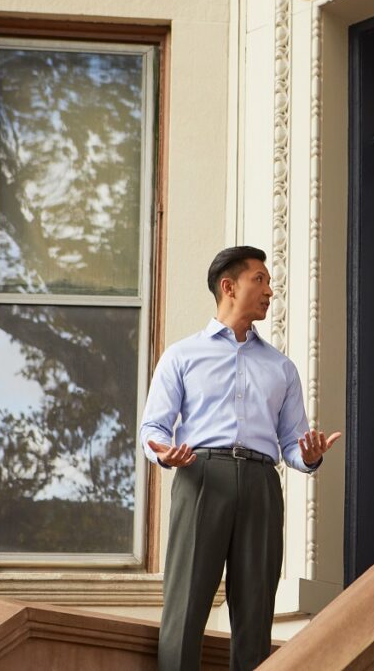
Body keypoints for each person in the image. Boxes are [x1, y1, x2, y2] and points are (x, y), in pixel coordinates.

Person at [139, 246, 340, 671]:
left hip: (261, 483)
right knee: (186, 604)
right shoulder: (182, 355)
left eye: (269, 281)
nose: (271, 289)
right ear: (229, 287)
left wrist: (309, 456)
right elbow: (152, 428)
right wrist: (165, 454)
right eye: (260, 280)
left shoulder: (281, 368)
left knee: (255, 611)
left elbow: (292, 441)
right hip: (199, 476)